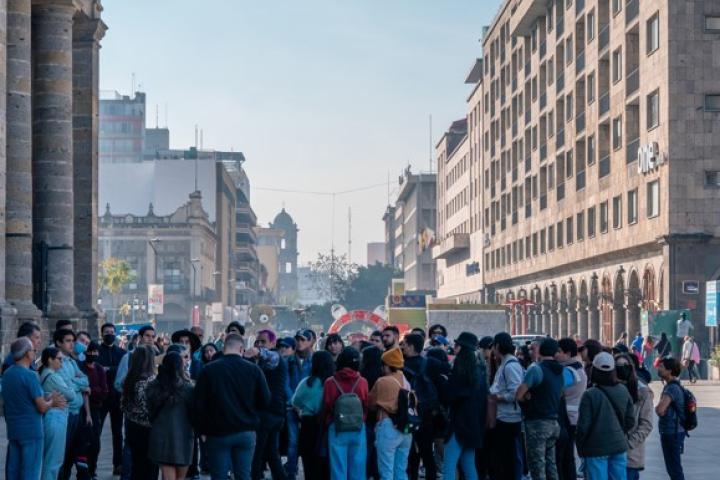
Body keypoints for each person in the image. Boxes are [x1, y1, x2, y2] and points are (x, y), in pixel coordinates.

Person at [193, 334, 271, 480]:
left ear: (223, 348)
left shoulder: (208, 370)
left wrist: (201, 430)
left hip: (217, 432)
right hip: (246, 430)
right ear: (242, 349)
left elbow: (199, 403)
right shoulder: (254, 370)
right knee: (243, 475)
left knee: (219, 475)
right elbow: (265, 401)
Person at [2, 338, 66, 480]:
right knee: (30, 472)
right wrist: (52, 402)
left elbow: (22, 399)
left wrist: (47, 398)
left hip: (14, 430)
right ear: (27, 354)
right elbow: (42, 407)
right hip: (32, 431)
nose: (35, 353)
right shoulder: (30, 376)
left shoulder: (7, 374)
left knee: (14, 471)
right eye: (33, 350)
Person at [575, 352, 634, 480]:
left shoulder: (589, 395)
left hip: (595, 448)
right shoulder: (623, 390)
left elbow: (583, 426)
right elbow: (631, 420)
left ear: (594, 370)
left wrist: (580, 448)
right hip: (619, 446)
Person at [516, 337, 565, 480]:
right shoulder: (560, 371)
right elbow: (561, 393)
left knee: (537, 465)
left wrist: (528, 399)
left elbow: (519, 394)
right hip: (554, 422)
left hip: (537, 423)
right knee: (551, 464)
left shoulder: (536, 369)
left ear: (541, 350)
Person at [440, 332, 486, 480]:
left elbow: (451, 395)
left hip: (459, 424)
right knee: (468, 464)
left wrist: (444, 383)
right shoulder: (479, 371)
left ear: (461, 348)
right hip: (474, 425)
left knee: (449, 465)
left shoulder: (459, 368)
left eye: (457, 345)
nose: (454, 348)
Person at [322, 347, 369, 480]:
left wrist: (327, 422)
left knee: (337, 467)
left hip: (337, 427)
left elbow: (326, 405)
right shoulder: (363, 382)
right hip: (358, 427)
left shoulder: (330, 382)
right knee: (358, 466)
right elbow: (366, 405)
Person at [146, 351, 195, 480]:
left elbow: (149, 410)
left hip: (161, 435)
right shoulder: (189, 388)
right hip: (184, 437)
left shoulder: (153, 387)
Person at [248, 330, 289, 480]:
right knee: (271, 452)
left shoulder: (275, 357)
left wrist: (253, 352)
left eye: (263, 342)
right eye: (257, 342)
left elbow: (267, 355)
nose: (259, 344)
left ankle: (255, 476)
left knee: (258, 452)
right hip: (273, 413)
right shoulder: (264, 361)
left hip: (269, 413)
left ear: (273, 343)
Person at [368, 347, 412, 480]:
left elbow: (370, 404)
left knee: (386, 471)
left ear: (386, 365)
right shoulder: (405, 380)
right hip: (406, 429)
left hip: (388, 427)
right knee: (401, 470)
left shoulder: (383, 381)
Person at [292, 350, 336, 480]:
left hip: (309, 425)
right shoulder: (333, 383)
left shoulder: (307, 382)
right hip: (329, 425)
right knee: (328, 465)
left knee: (310, 464)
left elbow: (295, 402)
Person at [53, 329, 91, 480]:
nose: (72, 344)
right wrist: (78, 385)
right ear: (58, 342)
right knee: (61, 454)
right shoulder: (57, 361)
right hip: (64, 413)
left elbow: (85, 380)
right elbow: (64, 387)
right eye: (68, 341)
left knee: (71, 454)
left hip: (77, 413)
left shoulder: (71, 361)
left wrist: (74, 383)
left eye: (72, 341)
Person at [488, 332, 524, 480]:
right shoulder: (504, 364)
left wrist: (497, 398)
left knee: (507, 458)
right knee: (502, 458)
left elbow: (515, 393)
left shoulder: (510, 366)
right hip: (502, 417)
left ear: (497, 346)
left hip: (509, 419)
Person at [402, 334, 438, 480]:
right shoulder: (429, 363)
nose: (402, 347)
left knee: (410, 455)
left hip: (408, 415)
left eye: (404, 344)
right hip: (426, 415)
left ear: (411, 346)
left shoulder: (401, 364)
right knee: (428, 453)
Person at [121, 344, 158, 480]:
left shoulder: (128, 379)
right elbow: (147, 408)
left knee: (137, 465)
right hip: (148, 429)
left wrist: (132, 413)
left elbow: (123, 405)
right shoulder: (150, 381)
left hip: (132, 427)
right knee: (150, 466)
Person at [39, 347, 77, 480]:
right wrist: (71, 383)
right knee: (53, 461)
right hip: (55, 419)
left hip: (54, 418)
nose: (62, 362)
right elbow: (71, 395)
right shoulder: (53, 376)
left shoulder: (47, 374)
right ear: (50, 360)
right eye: (59, 359)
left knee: (51, 459)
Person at [614, 353, 654, 480]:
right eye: (617, 366)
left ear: (631, 367)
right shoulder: (608, 389)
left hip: (630, 455)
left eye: (624, 365)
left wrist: (628, 443)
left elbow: (646, 424)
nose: (621, 368)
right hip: (610, 453)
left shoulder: (642, 392)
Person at [285, 328, 316, 480]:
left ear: (312, 341)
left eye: (303, 339)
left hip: (310, 410)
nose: (299, 342)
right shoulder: (288, 360)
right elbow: (284, 383)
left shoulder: (316, 361)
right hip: (291, 408)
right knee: (292, 441)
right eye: (298, 339)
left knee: (310, 442)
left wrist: (304, 405)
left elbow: (316, 385)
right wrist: (294, 402)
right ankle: (291, 471)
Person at [555, 338, 587, 480]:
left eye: (559, 351)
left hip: (567, 417)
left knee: (563, 457)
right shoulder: (577, 367)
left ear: (567, 353)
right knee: (568, 456)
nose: (556, 355)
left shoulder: (568, 371)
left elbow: (557, 390)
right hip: (573, 417)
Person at [97, 322, 126, 475]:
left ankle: (118, 463)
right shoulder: (96, 351)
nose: (109, 334)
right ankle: (92, 463)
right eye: (106, 332)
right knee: (97, 431)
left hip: (116, 397)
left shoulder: (121, 353)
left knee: (117, 432)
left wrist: (108, 369)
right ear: (102, 334)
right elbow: (95, 367)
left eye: (112, 332)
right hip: (101, 397)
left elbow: (123, 369)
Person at [655, 357, 687, 480]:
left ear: (669, 371)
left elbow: (660, 409)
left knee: (674, 468)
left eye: (661, 367)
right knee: (674, 467)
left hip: (671, 433)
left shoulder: (671, 388)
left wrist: (660, 409)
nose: (659, 368)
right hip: (675, 431)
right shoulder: (674, 386)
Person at [82, 341, 109, 479]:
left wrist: (91, 390)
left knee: (95, 443)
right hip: (81, 409)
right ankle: (83, 471)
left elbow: (104, 391)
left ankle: (92, 469)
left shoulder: (99, 369)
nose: (92, 354)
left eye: (95, 352)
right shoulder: (80, 367)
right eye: (90, 352)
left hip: (95, 409)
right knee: (81, 443)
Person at [360, 345, 384, 480]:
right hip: (380, 419)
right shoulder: (383, 376)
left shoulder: (362, 376)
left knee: (366, 452)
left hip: (366, 418)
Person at [115, 325, 157, 391]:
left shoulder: (156, 356)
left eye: (153, 337)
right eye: (147, 336)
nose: (150, 339)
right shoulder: (128, 357)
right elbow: (118, 384)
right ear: (140, 338)